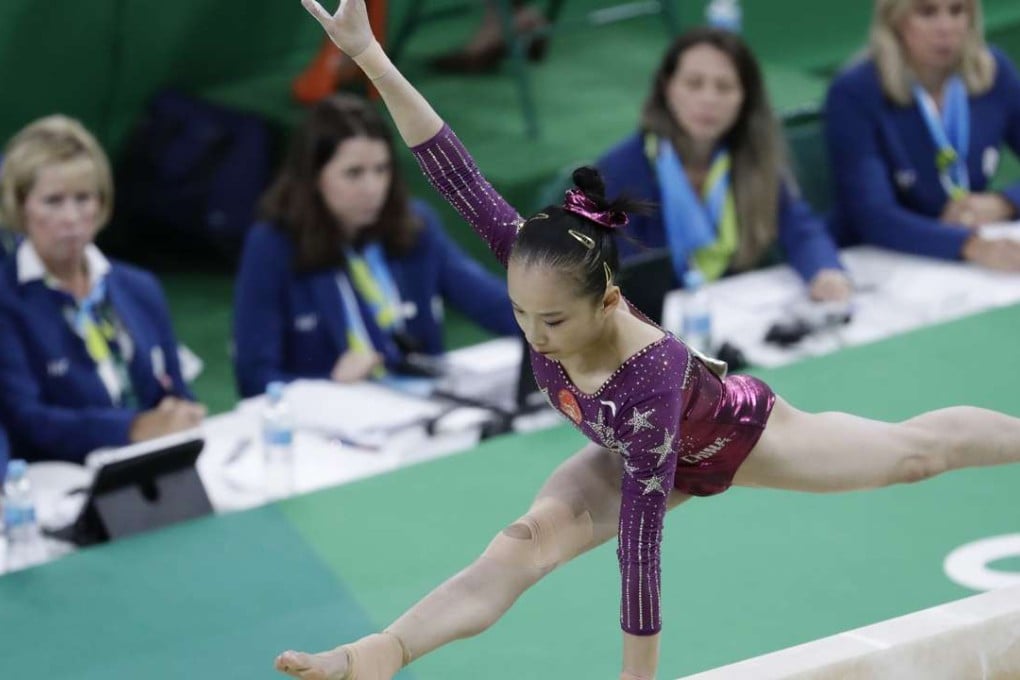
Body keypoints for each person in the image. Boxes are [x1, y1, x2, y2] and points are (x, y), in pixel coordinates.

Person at [276, 2, 1020, 678]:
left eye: (556, 323)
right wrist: (370, 55)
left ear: (606, 300)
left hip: (738, 436)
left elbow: (640, 544)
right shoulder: (537, 266)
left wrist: (637, 679)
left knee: (915, 455)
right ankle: (382, 651)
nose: (538, 338)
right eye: (522, 318)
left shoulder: (650, 378)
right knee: (522, 542)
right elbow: (446, 161)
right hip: (619, 444)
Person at [233, 93, 518, 398]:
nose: (372, 188)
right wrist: (326, 388)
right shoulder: (272, 245)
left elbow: (492, 304)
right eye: (353, 173)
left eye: (382, 170)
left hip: (424, 410)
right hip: (330, 425)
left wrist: (559, 326)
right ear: (313, 177)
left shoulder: (415, 226)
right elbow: (254, 377)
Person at [0, 115, 205, 463]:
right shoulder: (7, 299)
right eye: (53, 201)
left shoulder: (139, 287)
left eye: (83, 198)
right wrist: (133, 428)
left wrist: (183, 414)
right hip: (57, 483)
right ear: (20, 207)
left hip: (153, 468)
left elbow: (176, 388)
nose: (71, 217)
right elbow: (27, 420)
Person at [598, 26, 852, 301]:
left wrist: (825, 271)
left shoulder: (752, 158)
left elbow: (799, 228)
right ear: (667, 88)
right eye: (694, 84)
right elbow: (609, 278)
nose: (709, 99)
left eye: (725, 87)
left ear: (745, 98)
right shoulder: (621, 170)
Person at [825, 0, 1020, 270]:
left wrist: (1005, 202)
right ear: (895, 20)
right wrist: (969, 245)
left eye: (957, 11)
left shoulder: (993, 71)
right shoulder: (855, 91)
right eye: (927, 12)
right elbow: (872, 216)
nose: (946, 28)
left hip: (969, 262)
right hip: (878, 260)